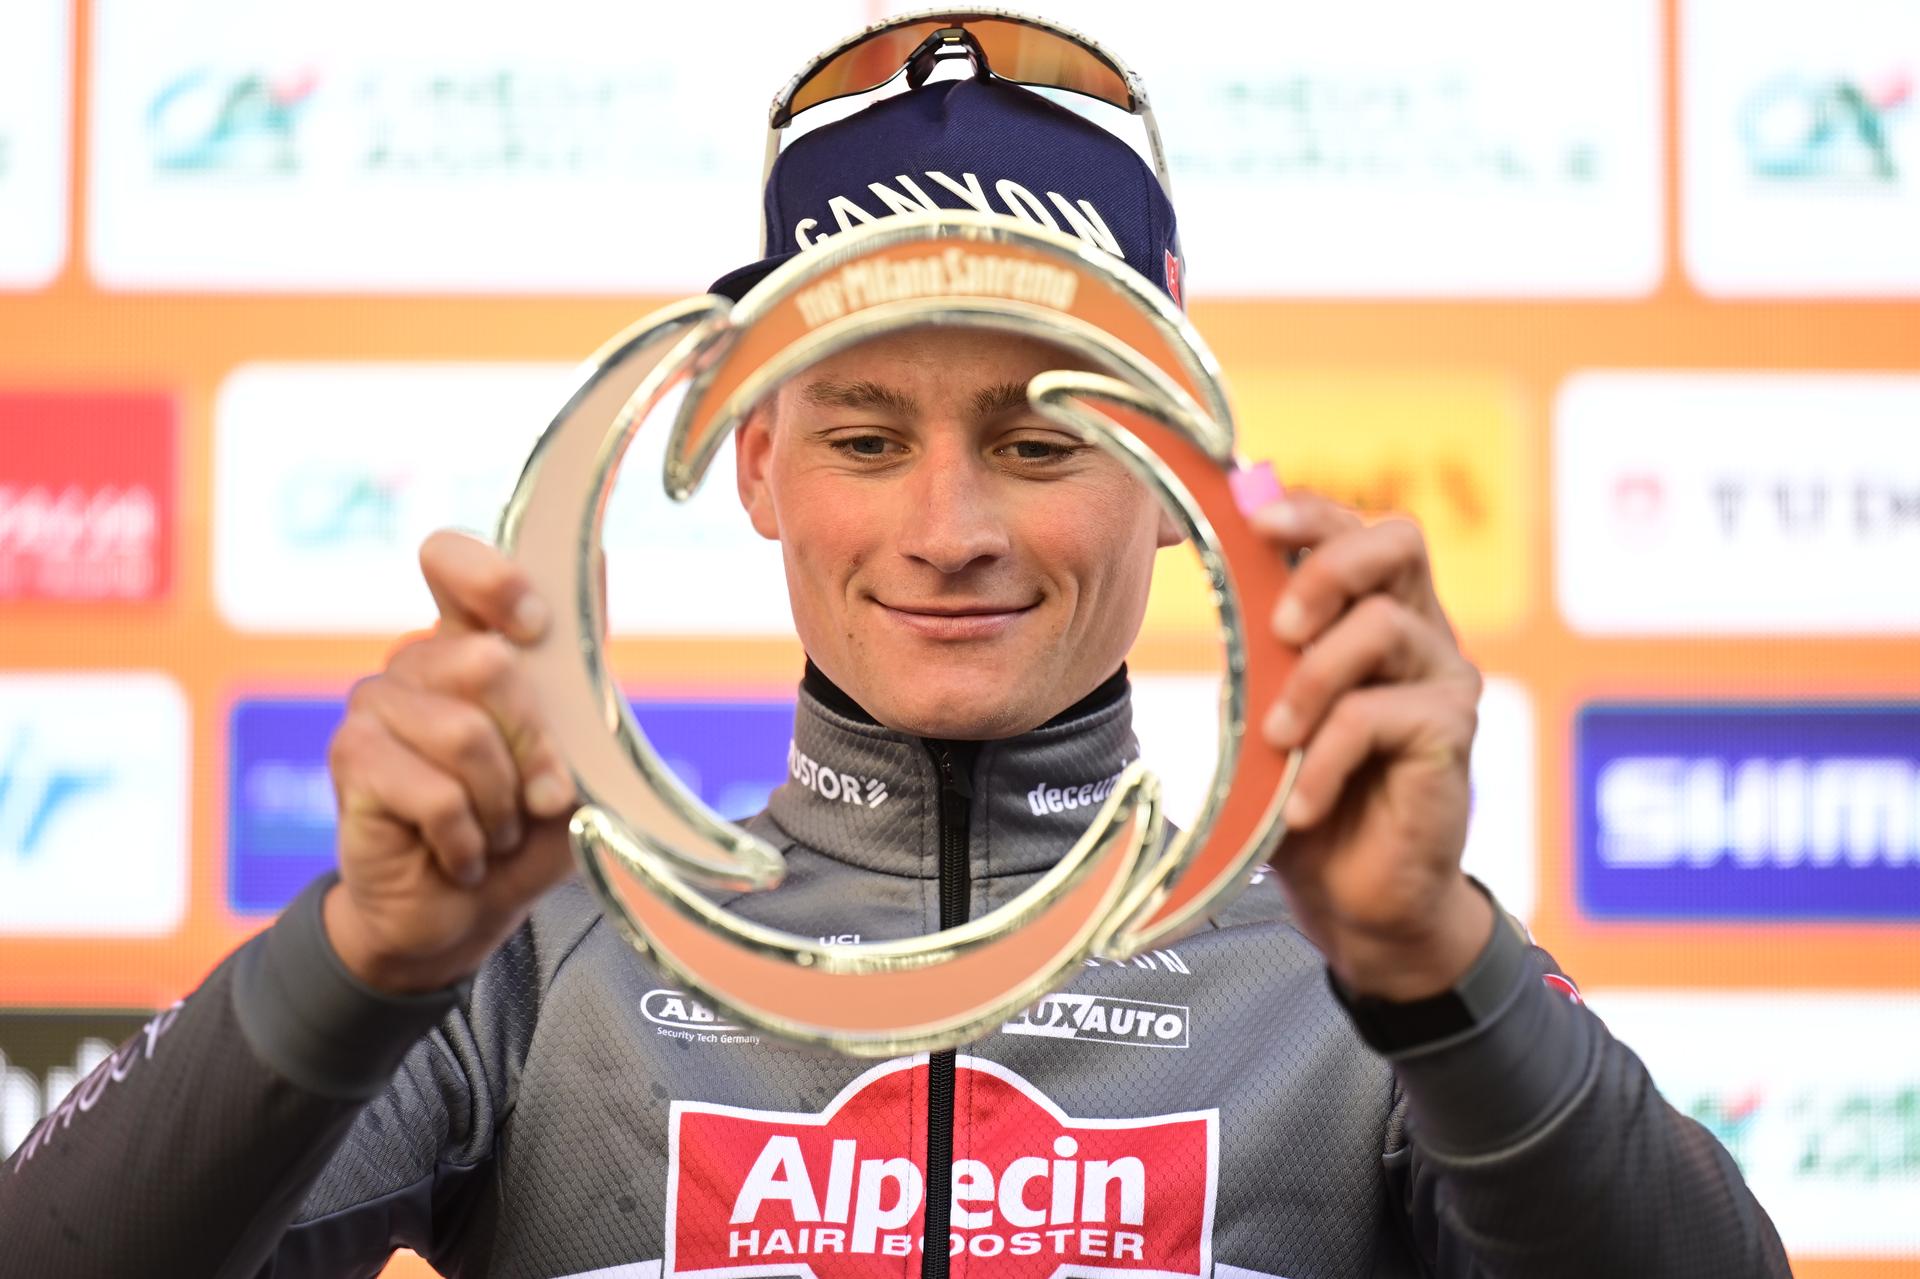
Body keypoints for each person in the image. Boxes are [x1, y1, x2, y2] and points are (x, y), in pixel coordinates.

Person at [0, 19, 1790, 1279]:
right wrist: (359, 957)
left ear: (1185, 484)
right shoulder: (540, 954)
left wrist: (1437, 973)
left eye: (1040, 436)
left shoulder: (1366, 972)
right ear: (756, 463)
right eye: (866, 439)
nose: (952, 528)